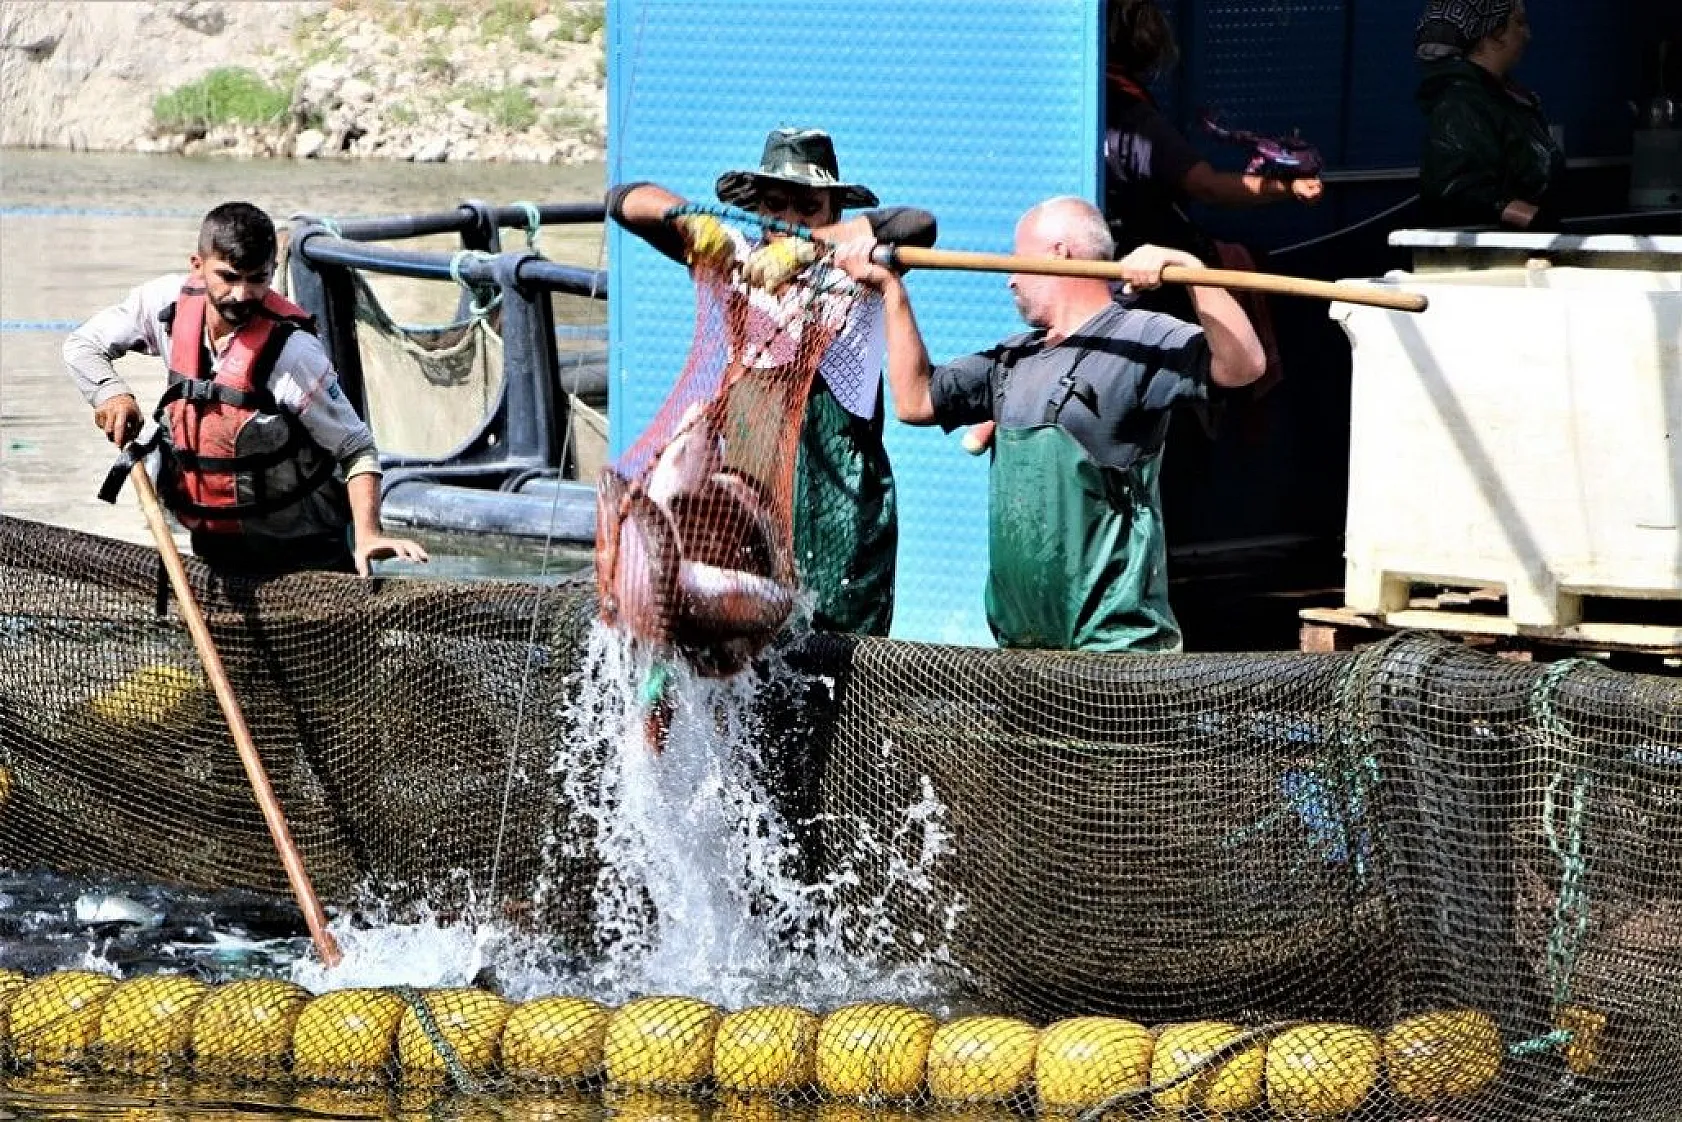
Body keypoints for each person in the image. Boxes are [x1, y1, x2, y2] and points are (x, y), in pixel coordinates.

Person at [837, 196, 1266, 653]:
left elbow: (1244, 366)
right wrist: (891, 291)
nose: (1010, 278)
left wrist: (1190, 270)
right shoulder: (1013, 359)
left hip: (1116, 653)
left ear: (1058, 253)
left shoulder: (1138, 339)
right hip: (1024, 653)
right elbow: (915, 400)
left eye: (1018, 259)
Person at [606, 127, 937, 638]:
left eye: (809, 208)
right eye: (776, 206)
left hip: (840, 506)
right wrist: (691, 219)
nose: (791, 221)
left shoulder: (859, 265)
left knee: (835, 656)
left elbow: (918, 224)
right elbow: (624, 201)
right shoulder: (733, 255)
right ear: (757, 209)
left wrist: (810, 249)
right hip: (748, 497)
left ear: (835, 212)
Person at [64, 201, 427, 578]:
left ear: (272, 270)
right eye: (228, 277)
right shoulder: (165, 306)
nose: (241, 294)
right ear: (198, 265)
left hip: (305, 554)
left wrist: (368, 535)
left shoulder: (294, 354)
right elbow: (83, 346)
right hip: (215, 547)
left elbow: (356, 448)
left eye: (257, 279)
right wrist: (110, 393)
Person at [1103, 0, 1323, 280]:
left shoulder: (1087, 102)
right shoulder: (1136, 120)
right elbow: (1207, 186)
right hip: (1146, 270)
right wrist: (1288, 187)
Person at [1415, 0, 1563, 229]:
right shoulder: (1461, 102)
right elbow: (1456, 188)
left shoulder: (1509, 100)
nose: (1527, 35)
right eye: (1519, 23)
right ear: (1494, 32)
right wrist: (1530, 218)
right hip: (1493, 246)